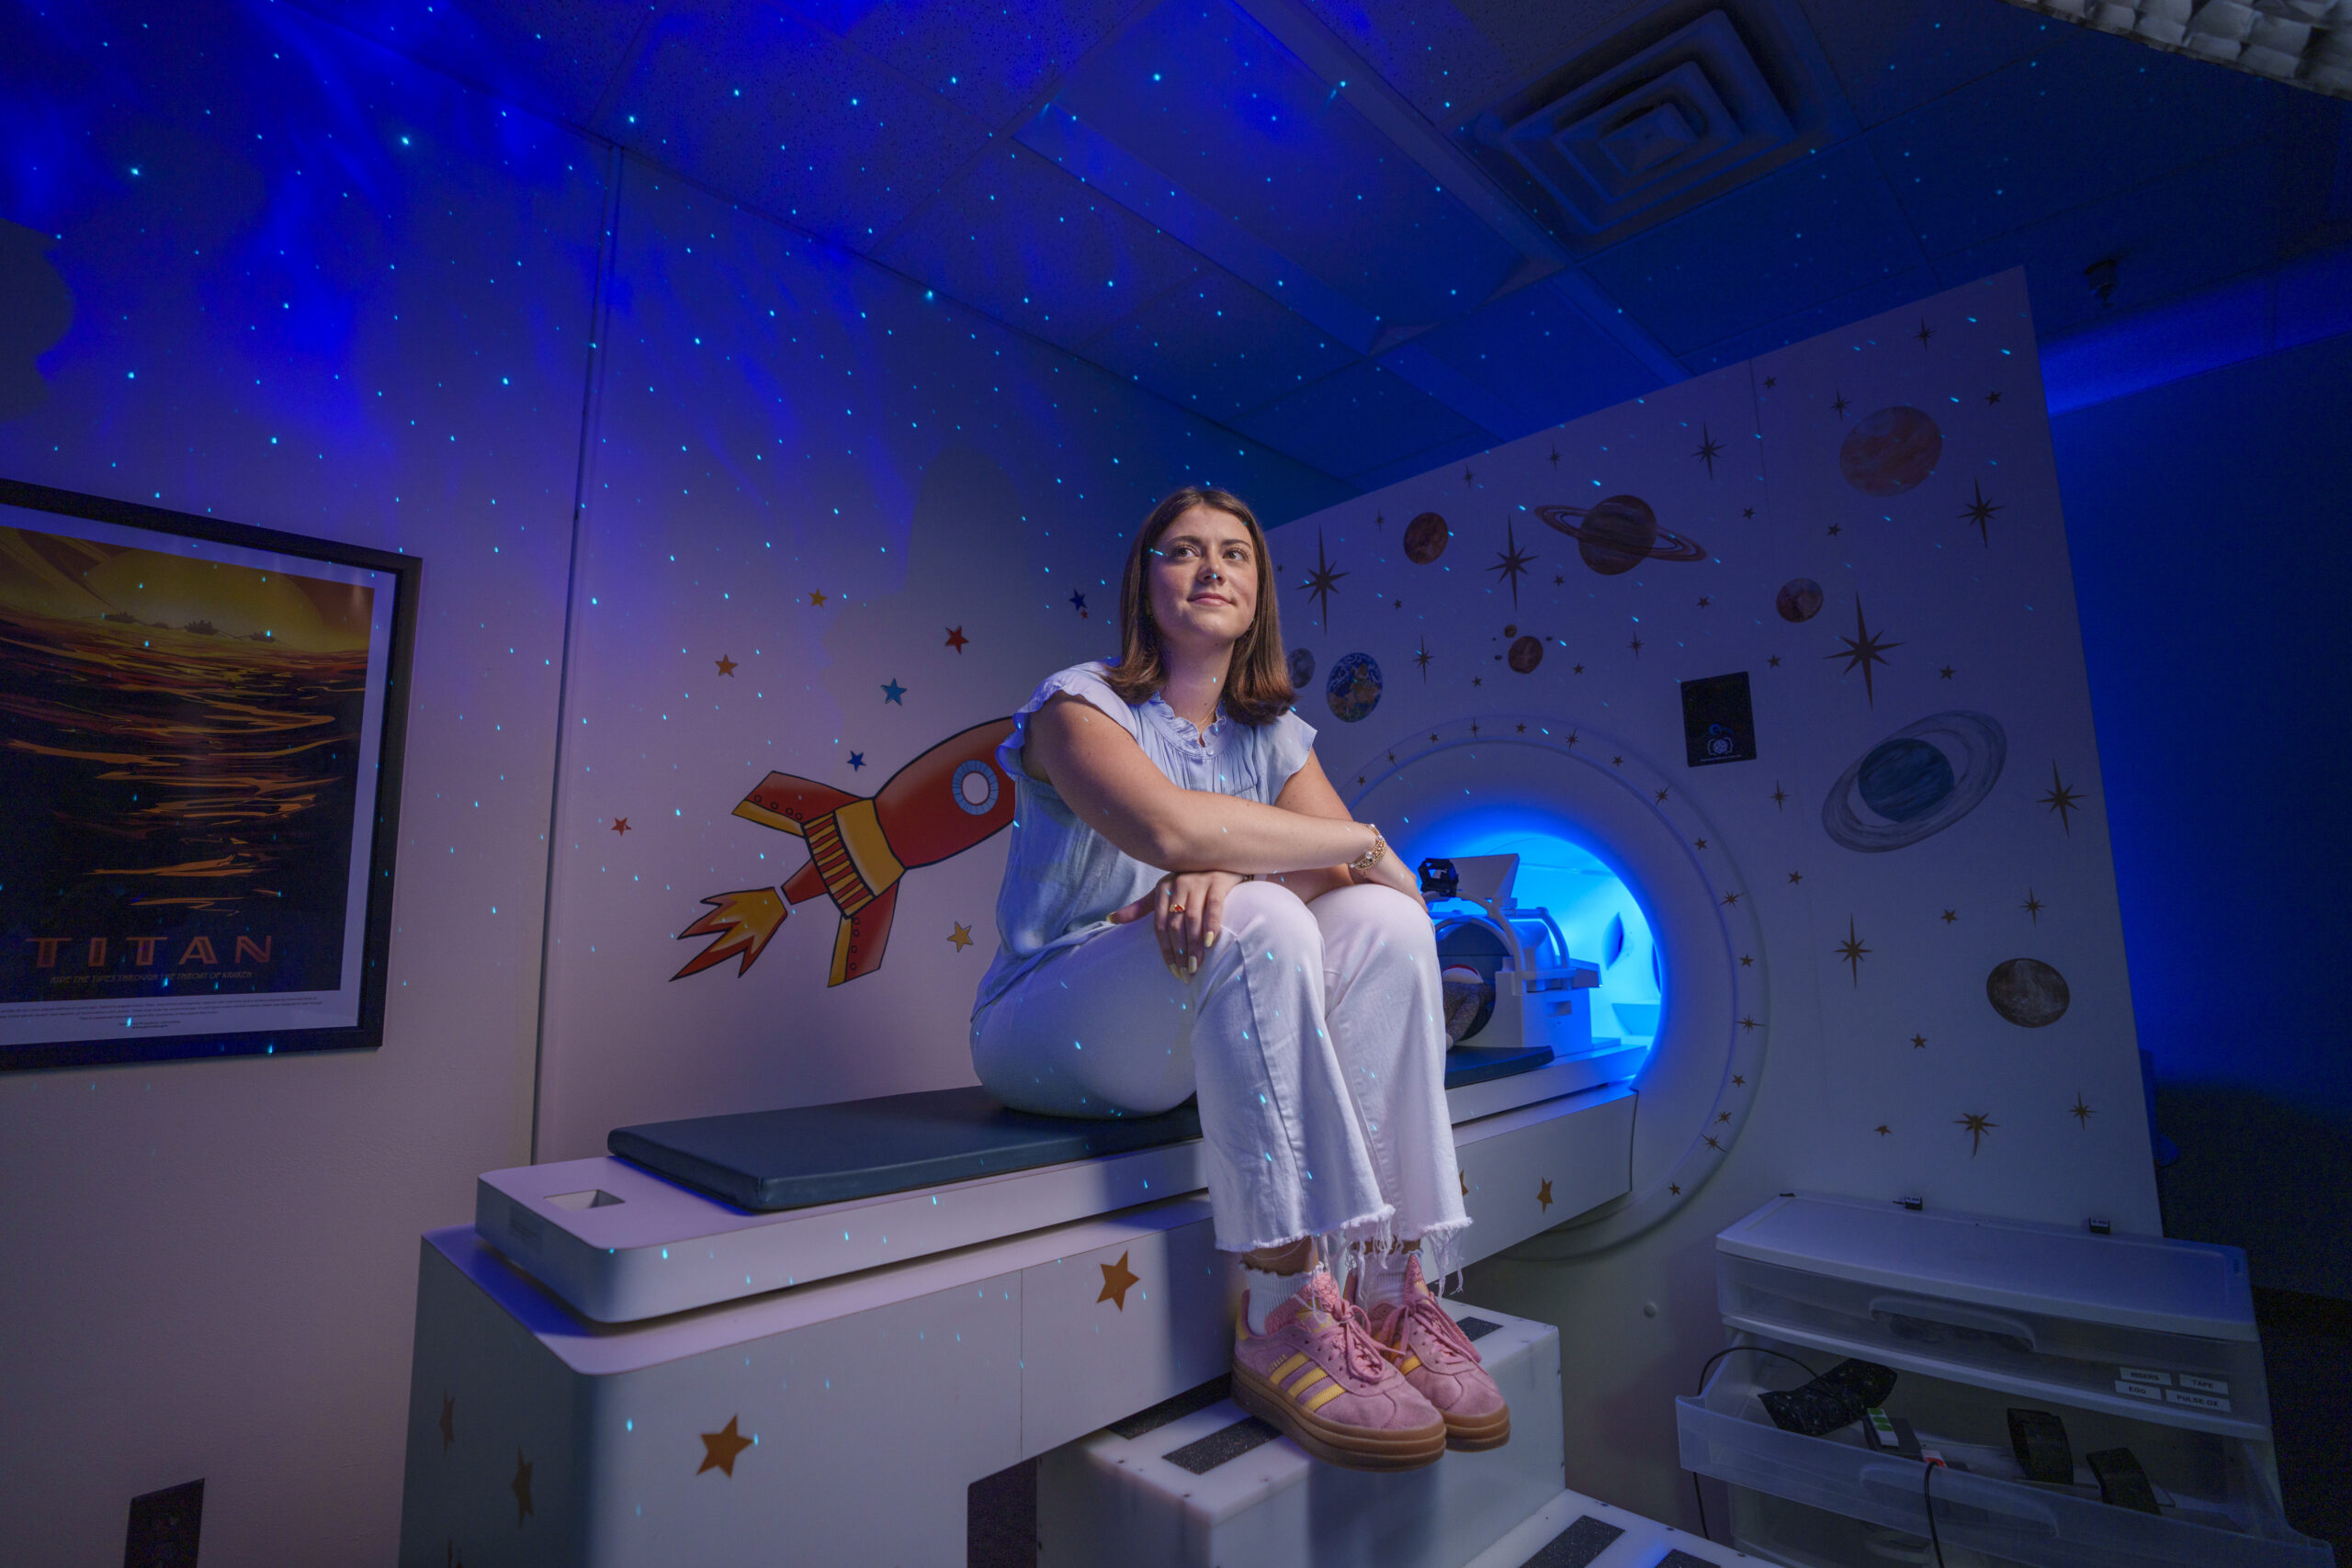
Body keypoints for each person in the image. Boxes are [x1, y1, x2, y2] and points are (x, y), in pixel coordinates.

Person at [969, 485, 1506, 1472]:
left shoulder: (1273, 737)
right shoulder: (1075, 705)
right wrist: (1336, 843)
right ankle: (1281, 1306)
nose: (1211, 567)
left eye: (1234, 553)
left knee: (1388, 924)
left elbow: (1355, 887)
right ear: (1144, 584)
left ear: (1259, 591)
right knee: (1259, 912)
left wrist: (1234, 864)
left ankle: (1388, 1285)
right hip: (1048, 1015)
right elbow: (1173, 828)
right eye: (1182, 550)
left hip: (1178, 1008)